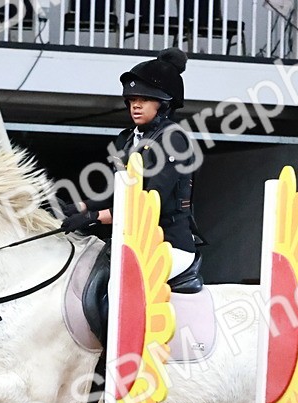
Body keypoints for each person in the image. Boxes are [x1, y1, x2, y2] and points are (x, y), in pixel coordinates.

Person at [60, 47, 204, 290]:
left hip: (168, 244)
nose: (136, 106)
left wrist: (94, 218)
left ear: (164, 104)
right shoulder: (125, 139)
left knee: (125, 287)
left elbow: (150, 202)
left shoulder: (174, 140)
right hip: (133, 240)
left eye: (144, 100)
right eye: (132, 100)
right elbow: (116, 191)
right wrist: (78, 207)